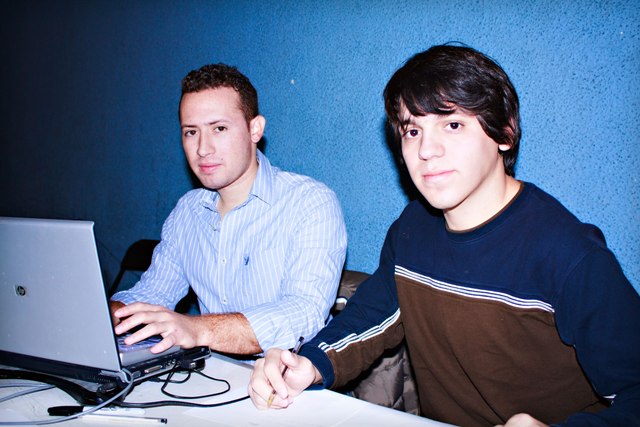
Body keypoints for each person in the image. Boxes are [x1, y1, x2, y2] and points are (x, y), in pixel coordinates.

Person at [248, 45, 640, 426]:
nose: (426, 150)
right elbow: (373, 315)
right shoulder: (412, 228)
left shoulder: (570, 254)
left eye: (452, 125)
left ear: (504, 132)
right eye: (412, 130)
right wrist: (309, 363)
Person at [110, 64, 347, 356]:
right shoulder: (188, 211)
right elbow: (153, 294)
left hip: (289, 377)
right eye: (191, 132)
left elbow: (304, 313)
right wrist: (108, 313)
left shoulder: (310, 202)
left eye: (219, 128)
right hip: (211, 373)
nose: (202, 148)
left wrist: (199, 329)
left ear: (255, 129)